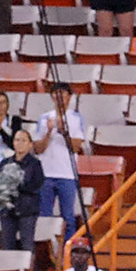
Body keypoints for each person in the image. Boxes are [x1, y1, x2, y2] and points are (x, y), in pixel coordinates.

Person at [33, 85, 86, 237]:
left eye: (62, 93)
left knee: (68, 217)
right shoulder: (44, 118)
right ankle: (45, 250)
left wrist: (64, 132)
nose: (59, 96)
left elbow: (76, 147)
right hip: (46, 173)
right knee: (44, 216)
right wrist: (49, 132)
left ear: (69, 96)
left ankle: (67, 253)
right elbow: (38, 148)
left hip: (67, 174)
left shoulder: (76, 118)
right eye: (55, 93)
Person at [0, 127, 44, 252]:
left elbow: (36, 184)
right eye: (17, 140)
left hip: (27, 210)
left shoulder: (35, 164)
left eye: (23, 140)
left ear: (30, 145)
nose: (19, 143)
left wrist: (15, 184)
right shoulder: (5, 162)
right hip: (7, 210)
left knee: (27, 246)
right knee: (7, 246)